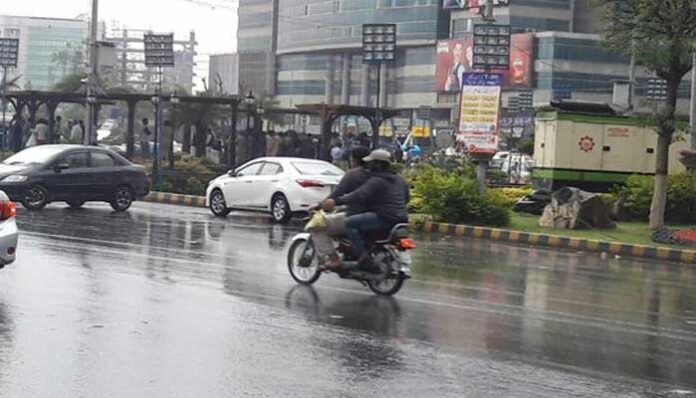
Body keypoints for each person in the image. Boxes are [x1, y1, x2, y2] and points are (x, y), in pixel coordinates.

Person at [322, 149, 410, 273]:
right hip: (402, 218)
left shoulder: (377, 181)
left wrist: (336, 202)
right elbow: (406, 198)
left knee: (350, 223)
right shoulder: (399, 179)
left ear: (378, 164)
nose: (369, 166)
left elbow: (358, 195)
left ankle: (363, 257)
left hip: (384, 218)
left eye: (372, 163)